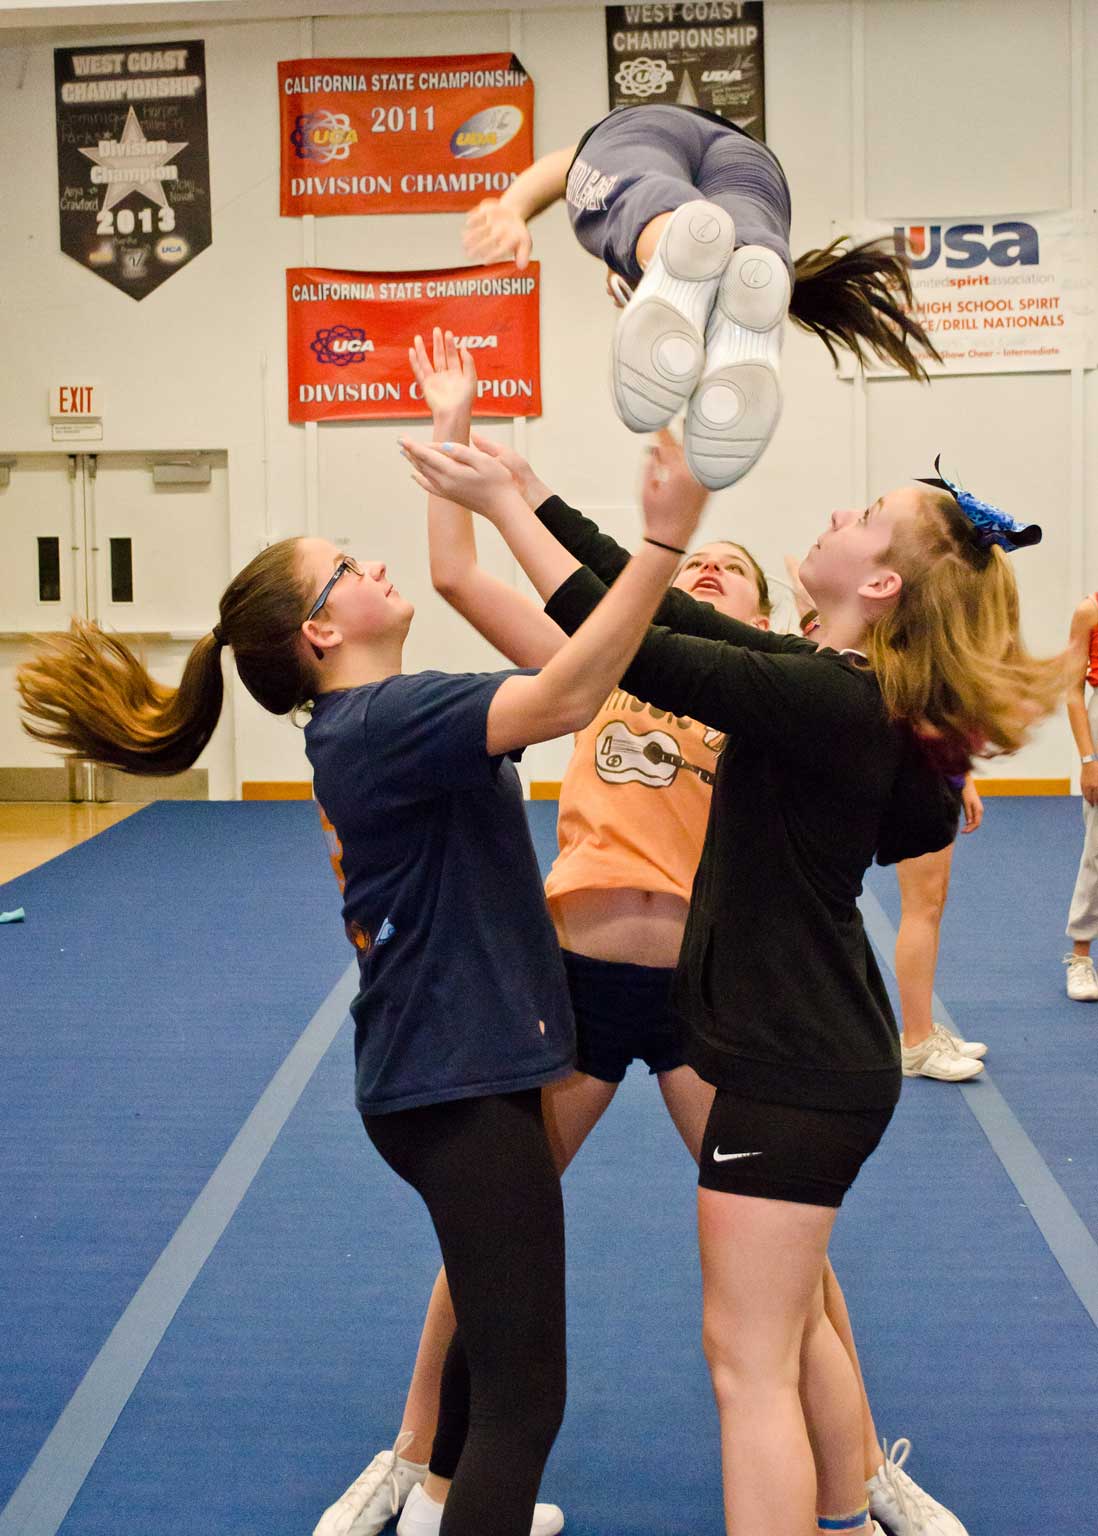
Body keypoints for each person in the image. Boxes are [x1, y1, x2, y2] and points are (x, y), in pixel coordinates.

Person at [15, 430, 709, 1536]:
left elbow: (463, 595)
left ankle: (445, 1505)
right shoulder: (390, 723)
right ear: (322, 629)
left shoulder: (376, 718)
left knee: (494, 1354)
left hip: (452, 1068)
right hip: (455, 1084)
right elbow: (579, 693)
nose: (370, 566)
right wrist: (667, 536)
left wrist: (453, 445)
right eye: (346, 566)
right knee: (528, 1400)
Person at [403, 430, 1064, 1536]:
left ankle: (850, 1498)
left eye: (862, 515)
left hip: (793, 1062)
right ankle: (847, 1508)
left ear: (882, 582)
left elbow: (646, 652)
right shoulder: (832, 684)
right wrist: (529, 491)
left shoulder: (834, 700)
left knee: (751, 1369)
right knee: (755, 1348)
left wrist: (591, 520)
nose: (837, 518)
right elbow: (656, 619)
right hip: (790, 1050)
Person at [462, 103, 938, 490]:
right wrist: (512, 208)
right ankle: (721, 250)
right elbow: (573, 169)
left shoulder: (639, 277)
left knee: (652, 211)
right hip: (737, 155)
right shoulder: (643, 269)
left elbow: (571, 167)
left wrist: (511, 207)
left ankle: (707, 244)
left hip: (724, 155)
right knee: (666, 216)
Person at [785, 554, 989, 1083]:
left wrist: (963, 777)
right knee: (919, 903)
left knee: (932, 900)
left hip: (924, 768)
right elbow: (912, 700)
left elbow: (942, 706)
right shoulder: (885, 629)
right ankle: (917, 1039)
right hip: (899, 771)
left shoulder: (925, 625)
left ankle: (919, 1028)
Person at [1063, 590, 1098, 999]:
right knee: (1096, 847)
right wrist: (1089, 758)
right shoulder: (1088, 611)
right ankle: (1081, 956)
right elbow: (1073, 691)